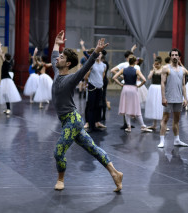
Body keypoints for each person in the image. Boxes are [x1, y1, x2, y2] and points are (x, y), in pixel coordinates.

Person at [51, 31, 122, 192]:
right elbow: (53, 55)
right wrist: (57, 43)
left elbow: (85, 68)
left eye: (61, 57)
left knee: (58, 152)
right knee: (93, 148)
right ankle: (115, 173)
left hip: (72, 120)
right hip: (67, 120)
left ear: (68, 64)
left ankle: (60, 179)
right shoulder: (56, 73)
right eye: (59, 56)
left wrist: (96, 51)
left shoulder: (71, 79)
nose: (57, 58)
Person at [113, 55, 152, 133]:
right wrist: (138, 85)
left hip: (125, 88)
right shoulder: (136, 70)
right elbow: (144, 80)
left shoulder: (123, 70)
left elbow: (114, 77)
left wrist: (121, 84)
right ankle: (143, 126)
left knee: (126, 107)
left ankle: (129, 127)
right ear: (135, 62)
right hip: (133, 89)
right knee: (136, 107)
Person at [158, 48, 188, 148]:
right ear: (170, 56)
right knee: (165, 119)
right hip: (168, 98)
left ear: (179, 57)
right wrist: (163, 97)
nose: (174, 57)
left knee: (176, 120)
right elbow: (162, 83)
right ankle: (162, 140)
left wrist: (185, 98)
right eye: (173, 55)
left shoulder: (183, 70)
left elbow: (183, 85)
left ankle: (177, 140)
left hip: (178, 98)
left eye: (176, 55)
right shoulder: (166, 68)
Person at [0, 41, 21, 114]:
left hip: (6, 80)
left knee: (5, 94)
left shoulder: (6, 62)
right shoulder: (10, 62)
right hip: (6, 80)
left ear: (5, 57)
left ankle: (8, 109)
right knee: (5, 94)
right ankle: (8, 108)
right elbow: (2, 55)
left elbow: (1, 54)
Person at [86, 51, 107, 132]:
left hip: (99, 87)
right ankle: (91, 126)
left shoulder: (103, 65)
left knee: (97, 107)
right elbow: (86, 76)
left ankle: (95, 125)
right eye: (97, 53)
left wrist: (100, 83)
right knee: (91, 107)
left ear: (101, 55)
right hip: (92, 87)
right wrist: (89, 81)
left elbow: (103, 75)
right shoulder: (91, 64)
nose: (98, 55)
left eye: (100, 54)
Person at [145, 56, 164, 130]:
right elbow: (149, 78)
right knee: (154, 105)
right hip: (153, 88)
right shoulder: (153, 70)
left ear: (160, 64)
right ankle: (154, 124)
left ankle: (162, 124)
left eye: (157, 64)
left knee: (160, 105)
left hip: (159, 88)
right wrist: (153, 70)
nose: (156, 65)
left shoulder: (163, 70)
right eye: (155, 64)